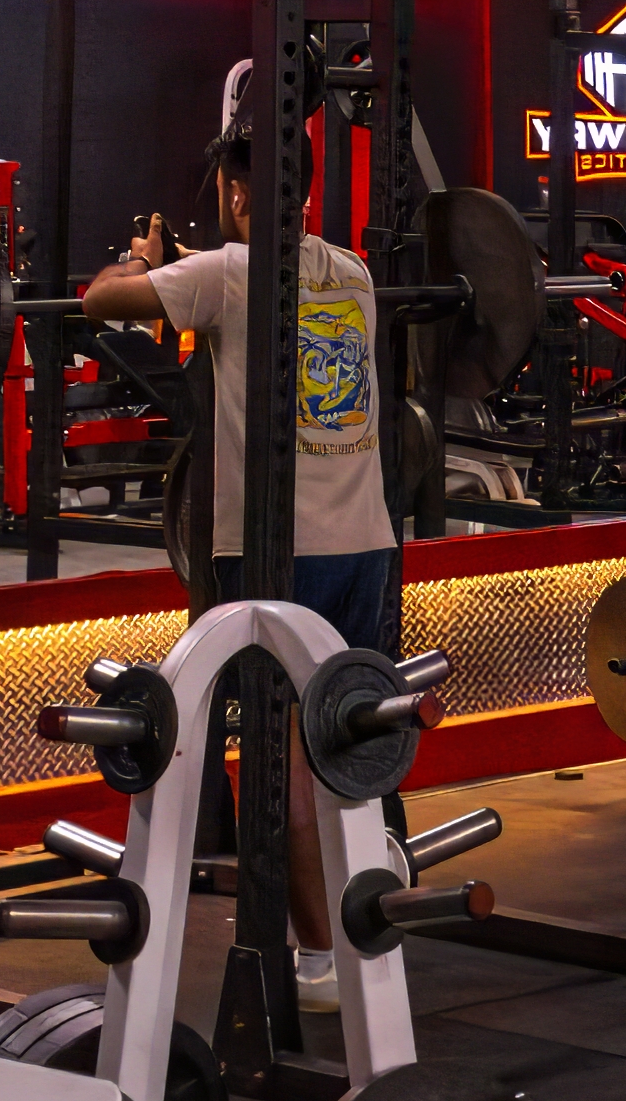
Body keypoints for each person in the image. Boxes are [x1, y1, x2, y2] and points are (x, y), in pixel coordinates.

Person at [84, 126, 395, 938]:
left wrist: (149, 262)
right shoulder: (353, 273)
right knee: (340, 746)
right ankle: (359, 915)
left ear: (239, 196)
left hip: (278, 554)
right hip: (365, 547)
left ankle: (325, 959)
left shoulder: (225, 273)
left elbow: (100, 299)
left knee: (278, 769)